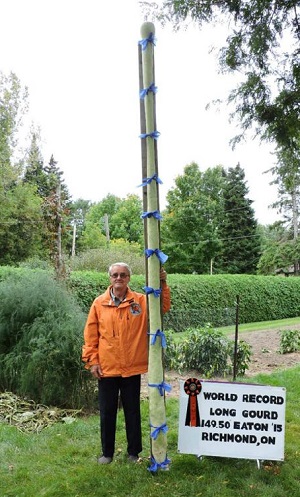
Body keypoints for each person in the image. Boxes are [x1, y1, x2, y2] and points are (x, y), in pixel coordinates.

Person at [82, 262, 171, 465]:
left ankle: (133, 453)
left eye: (123, 275)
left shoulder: (140, 301)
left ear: (129, 277)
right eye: (115, 275)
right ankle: (107, 453)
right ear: (110, 278)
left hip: (132, 368)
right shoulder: (99, 303)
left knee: (132, 411)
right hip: (106, 368)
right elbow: (90, 335)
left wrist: (163, 282)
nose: (119, 278)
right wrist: (92, 361)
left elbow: (163, 307)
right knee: (107, 412)